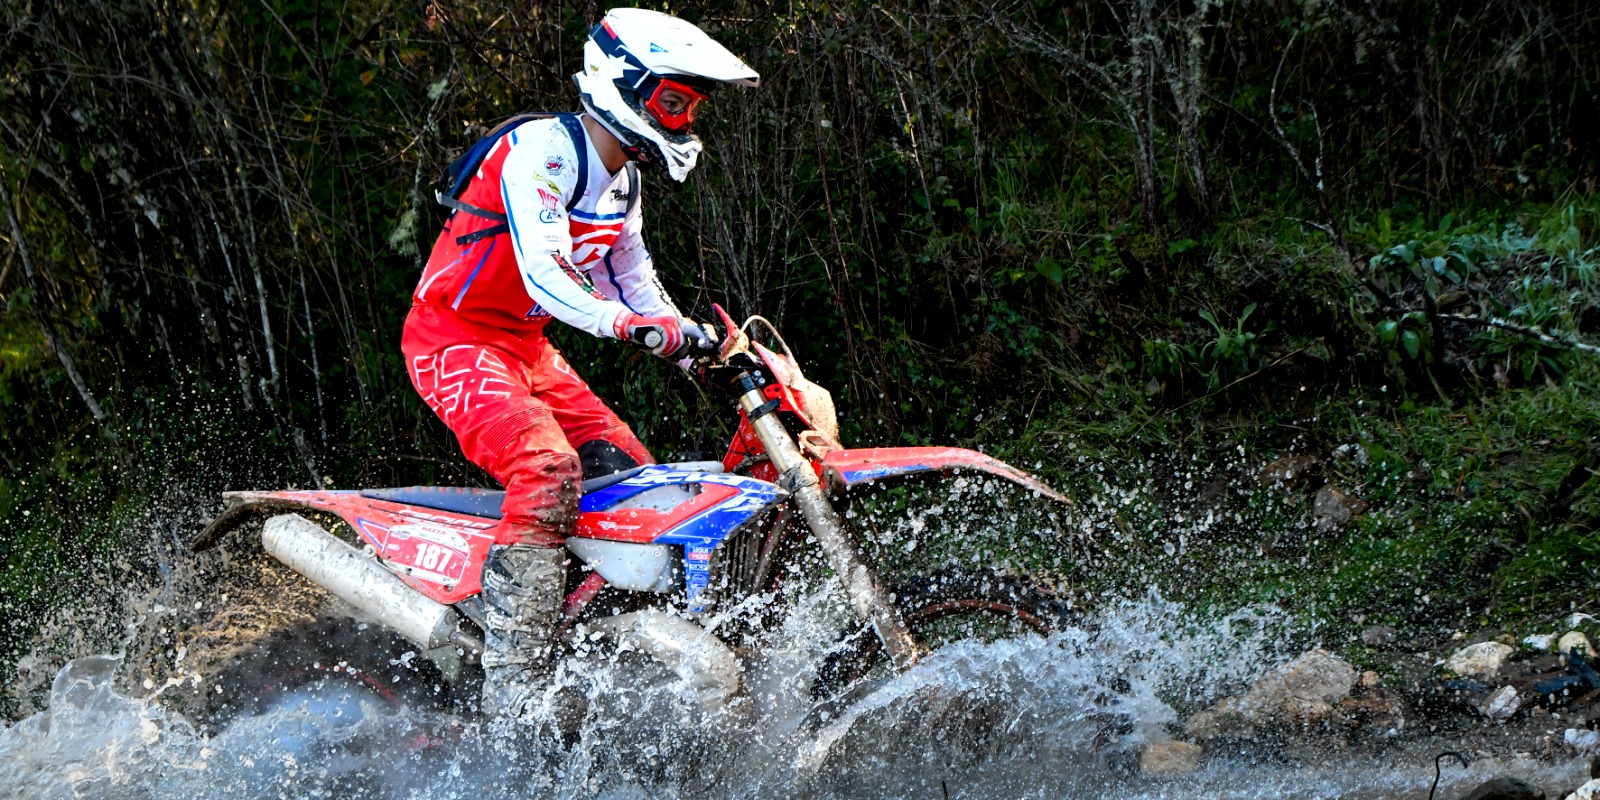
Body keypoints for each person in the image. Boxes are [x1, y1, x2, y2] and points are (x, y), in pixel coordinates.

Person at [401, 7, 760, 717]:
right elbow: (546, 274)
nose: (685, 119)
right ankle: (514, 689)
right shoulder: (543, 151)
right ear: (626, 83)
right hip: (453, 338)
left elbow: (633, 277)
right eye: (674, 102)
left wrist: (694, 347)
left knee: (636, 482)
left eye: (691, 106)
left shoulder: (621, 179)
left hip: (528, 349)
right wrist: (632, 327)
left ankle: (597, 657)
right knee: (545, 469)